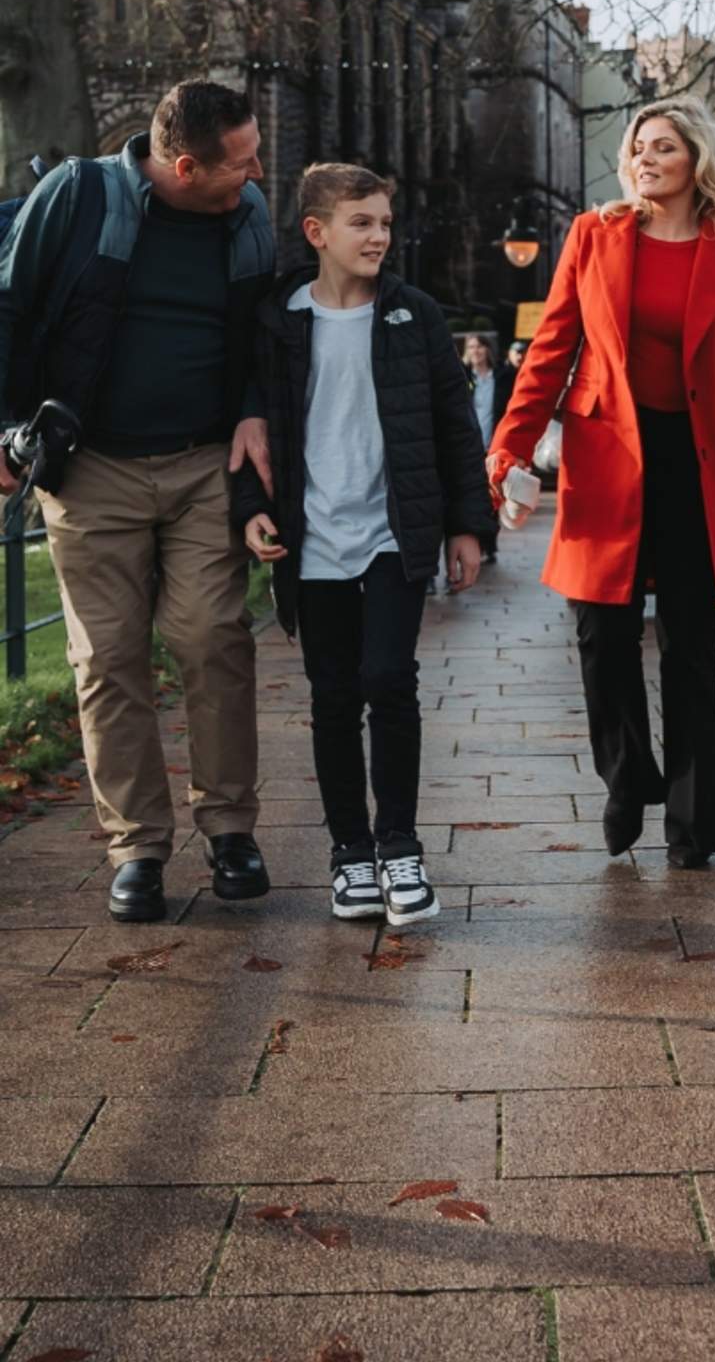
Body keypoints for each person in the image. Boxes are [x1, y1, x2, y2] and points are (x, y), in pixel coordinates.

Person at [0, 83, 274, 922]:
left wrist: (256, 406)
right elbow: (8, 307)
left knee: (212, 638)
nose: (259, 169)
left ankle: (230, 830)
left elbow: (264, 325)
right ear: (184, 167)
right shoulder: (79, 197)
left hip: (201, 465)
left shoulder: (248, 212)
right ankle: (137, 850)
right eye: (243, 159)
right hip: (92, 471)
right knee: (107, 660)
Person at [486, 95, 715, 868]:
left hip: (697, 458)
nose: (645, 160)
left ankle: (692, 823)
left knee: (689, 644)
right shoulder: (594, 235)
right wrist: (510, 449)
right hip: (603, 451)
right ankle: (626, 777)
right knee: (600, 632)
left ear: (697, 163)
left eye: (663, 150)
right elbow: (550, 350)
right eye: (638, 148)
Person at [233, 163, 493, 924]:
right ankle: (350, 851)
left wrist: (468, 526)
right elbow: (248, 423)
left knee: (390, 678)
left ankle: (401, 846)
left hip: (392, 534)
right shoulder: (277, 319)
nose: (380, 235)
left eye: (385, 221)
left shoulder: (414, 314)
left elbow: (453, 422)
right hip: (311, 539)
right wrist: (251, 507)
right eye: (363, 223)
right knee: (334, 696)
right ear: (317, 233)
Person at [463, 333, 514, 561]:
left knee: (493, 497)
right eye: (471, 347)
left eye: (480, 346)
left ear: (488, 350)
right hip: (469, 448)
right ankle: (477, 543)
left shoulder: (502, 376)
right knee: (472, 497)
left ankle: (490, 543)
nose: (476, 351)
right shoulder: (462, 376)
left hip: (494, 446)